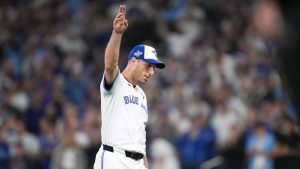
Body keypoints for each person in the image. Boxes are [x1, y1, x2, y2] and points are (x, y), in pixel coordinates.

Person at [93, 4, 165, 169]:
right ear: (134, 61)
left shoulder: (142, 95)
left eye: (154, 68)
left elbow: (140, 138)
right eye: (148, 66)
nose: (151, 72)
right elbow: (110, 65)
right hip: (114, 158)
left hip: (137, 162)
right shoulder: (116, 82)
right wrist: (117, 34)